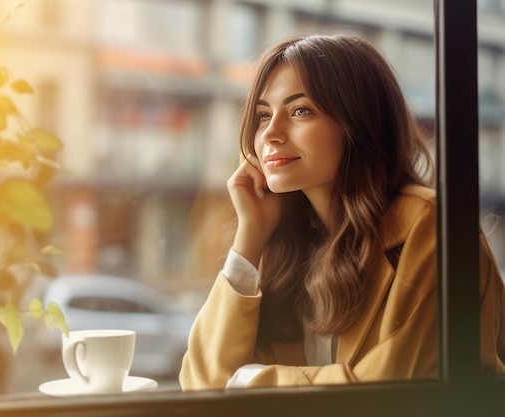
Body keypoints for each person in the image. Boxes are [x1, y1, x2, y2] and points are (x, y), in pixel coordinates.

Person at [179, 34, 505, 391]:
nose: (270, 133)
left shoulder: (430, 225)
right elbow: (203, 384)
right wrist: (250, 235)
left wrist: (253, 380)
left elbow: (392, 390)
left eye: (300, 110)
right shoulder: (286, 241)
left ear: (358, 123)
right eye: (262, 115)